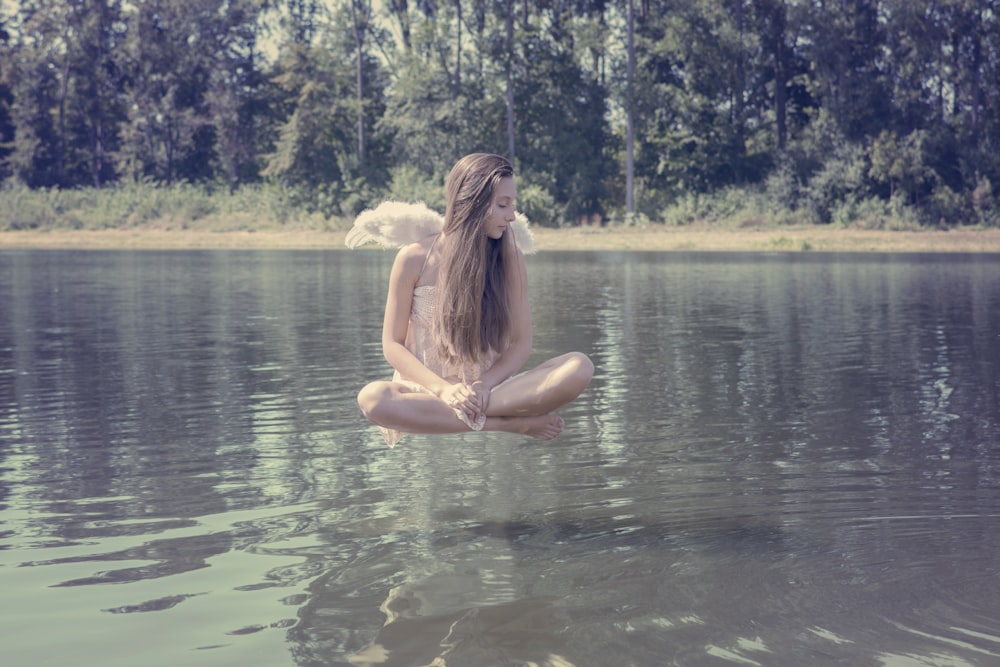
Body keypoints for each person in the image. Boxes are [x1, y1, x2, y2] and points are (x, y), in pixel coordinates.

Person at [356, 153, 594, 447]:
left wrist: (483, 385)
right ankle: (511, 424)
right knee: (372, 399)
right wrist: (443, 390)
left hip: (489, 392)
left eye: (513, 205)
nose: (512, 216)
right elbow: (392, 345)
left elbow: (521, 344)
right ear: (472, 202)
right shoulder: (413, 258)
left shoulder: (510, 259)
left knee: (579, 366)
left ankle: (453, 416)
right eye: (503, 205)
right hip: (424, 392)